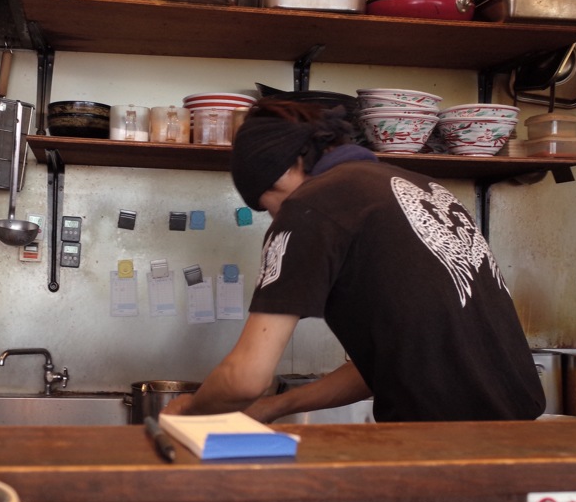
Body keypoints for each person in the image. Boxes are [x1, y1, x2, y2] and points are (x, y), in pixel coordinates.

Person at [163, 98, 545, 422]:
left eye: (266, 205)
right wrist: (276, 407)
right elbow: (389, 361)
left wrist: (191, 412)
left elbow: (246, 378)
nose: (275, 218)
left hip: (443, 444)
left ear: (283, 171)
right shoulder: (420, 187)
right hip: (518, 434)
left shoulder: (311, 204)